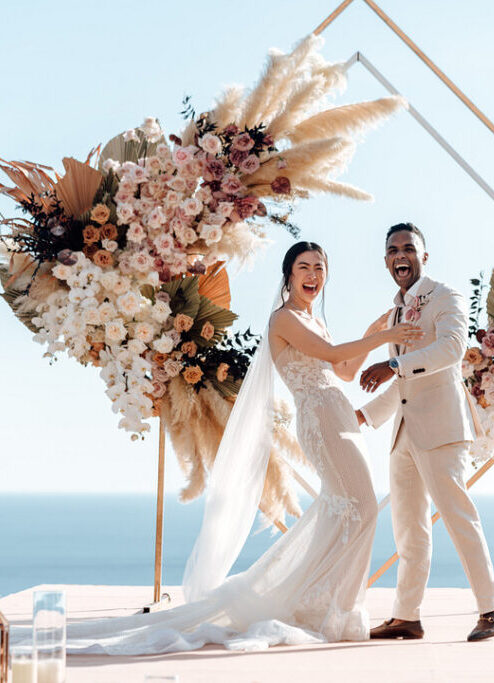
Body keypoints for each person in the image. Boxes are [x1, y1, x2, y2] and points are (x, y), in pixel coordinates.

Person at [10, 241, 422, 654]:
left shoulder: (315, 320)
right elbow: (332, 355)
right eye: (303, 267)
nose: (312, 274)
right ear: (288, 274)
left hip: (341, 415)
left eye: (319, 266)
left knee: (348, 508)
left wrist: (374, 332)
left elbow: (345, 371)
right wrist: (388, 333)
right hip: (321, 420)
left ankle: (334, 607)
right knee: (361, 507)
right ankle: (335, 610)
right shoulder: (284, 319)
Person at [356, 223, 494, 642]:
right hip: (404, 434)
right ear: (386, 260)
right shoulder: (393, 312)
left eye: (408, 248)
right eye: (392, 250)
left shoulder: (446, 297)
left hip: (442, 429)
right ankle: (406, 615)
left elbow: (452, 349)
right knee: (408, 528)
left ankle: (492, 607)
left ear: (425, 256)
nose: (400, 255)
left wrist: (391, 366)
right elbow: (404, 389)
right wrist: (364, 416)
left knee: (460, 519)